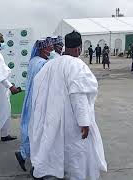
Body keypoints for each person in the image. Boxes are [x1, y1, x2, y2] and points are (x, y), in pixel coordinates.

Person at [28, 31, 107, 180]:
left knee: (56, 150)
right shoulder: (76, 64)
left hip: (53, 117)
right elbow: (79, 94)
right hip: (72, 120)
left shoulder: (51, 64)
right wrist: (84, 122)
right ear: (79, 48)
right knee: (77, 155)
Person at [15, 37, 62, 172]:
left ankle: (24, 154)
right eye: (49, 48)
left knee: (31, 128)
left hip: (32, 99)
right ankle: (35, 162)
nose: (51, 50)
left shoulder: (34, 61)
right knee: (38, 130)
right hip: (38, 100)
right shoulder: (42, 63)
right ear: (42, 49)